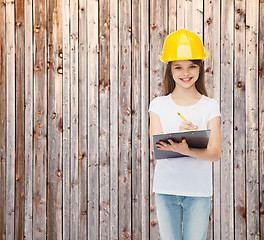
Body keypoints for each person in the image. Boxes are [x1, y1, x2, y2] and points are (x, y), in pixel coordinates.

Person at [148, 29, 222, 240]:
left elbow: (215, 153)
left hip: (198, 192)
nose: (185, 72)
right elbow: (158, 148)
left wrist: (186, 148)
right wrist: (182, 140)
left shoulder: (210, 106)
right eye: (178, 66)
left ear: (200, 68)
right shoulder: (158, 105)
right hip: (166, 189)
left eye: (191, 66)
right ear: (169, 70)